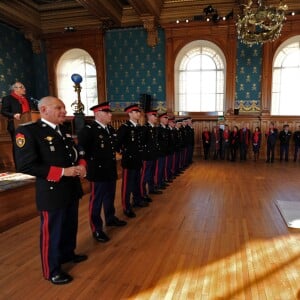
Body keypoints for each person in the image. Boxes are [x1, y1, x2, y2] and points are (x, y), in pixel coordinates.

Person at [14, 96, 87, 285]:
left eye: (63, 107)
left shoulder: (62, 130)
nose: (64, 111)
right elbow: (26, 165)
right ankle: (52, 270)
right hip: (52, 191)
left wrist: (81, 164)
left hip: (70, 189)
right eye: (59, 107)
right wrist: (64, 172)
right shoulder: (28, 131)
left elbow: (76, 152)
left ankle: (67, 254)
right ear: (44, 110)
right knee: (52, 232)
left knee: (70, 226)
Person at [77, 102, 126, 244]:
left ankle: (110, 218)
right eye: (107, 112)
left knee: (110, 196)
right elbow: (82, 150)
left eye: (110, 112)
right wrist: (83, 167)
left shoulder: (109, 129)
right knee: (96, 201)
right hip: (97, 171)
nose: (111, 114)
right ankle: (96, 229)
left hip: (110, 169)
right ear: (98, 114)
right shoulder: (89, 130)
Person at [116, 104, 148, 218]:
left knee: (136, 182)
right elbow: (117, 143)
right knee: (127, 185)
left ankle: (137, 200)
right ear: (129, 114)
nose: (138, 114)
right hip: (129, 161)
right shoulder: (125, 127)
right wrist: (125, 153)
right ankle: (126, 207)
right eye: (135, 112)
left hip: (137, 160)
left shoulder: (138, 127)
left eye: (139, 112)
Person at [1, 82, 33, 166]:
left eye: (24, 87)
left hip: (29, 125)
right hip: (15, 125)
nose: (24, 89)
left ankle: (30, 163)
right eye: (22, 87)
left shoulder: (27, 99)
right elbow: (3, 111)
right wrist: (14, 115)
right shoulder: (8, 98)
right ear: (15, 89)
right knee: (19, 145)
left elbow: (31, 112)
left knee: (30, 145)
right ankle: (19, 164)